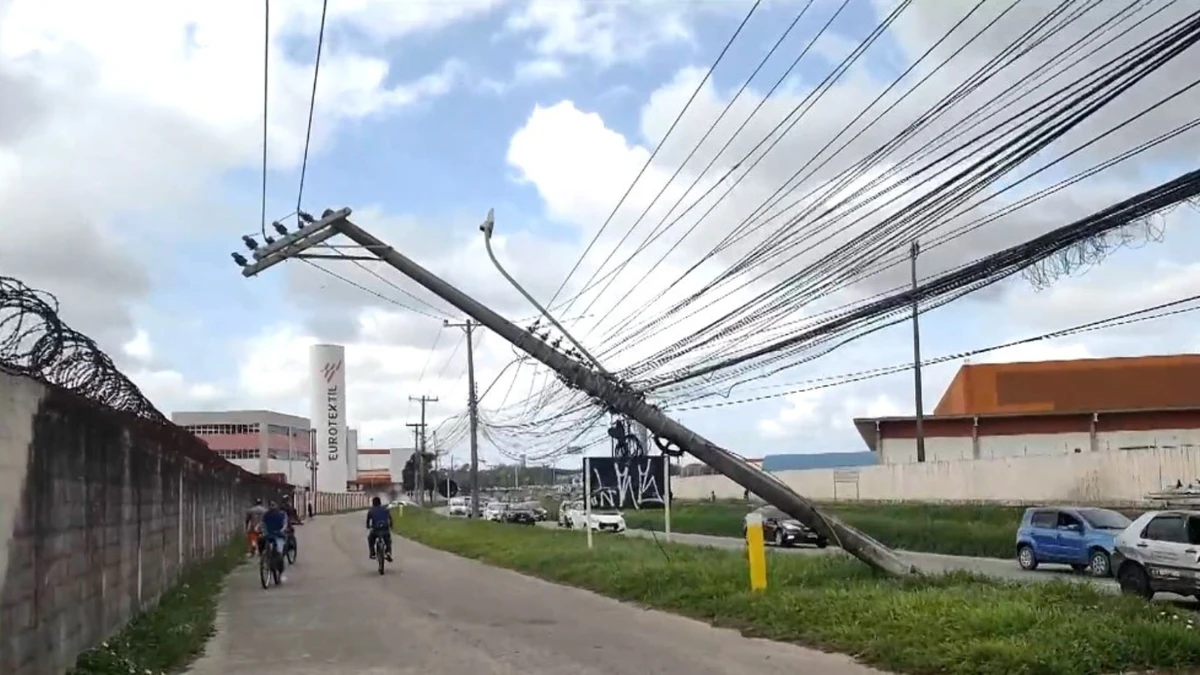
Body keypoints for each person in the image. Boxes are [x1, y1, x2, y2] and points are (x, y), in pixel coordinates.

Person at [261, 499, 290, 576]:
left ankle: (280, 568)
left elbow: (285, 523)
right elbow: (262, 523)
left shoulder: (282, 514)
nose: (272, 506)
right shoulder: (266, 515)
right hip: (269, 535)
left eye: (273, 505)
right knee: (262, 542)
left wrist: (282, 530)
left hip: (279, 535)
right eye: (271, 505)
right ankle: (265, 558)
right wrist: (263, 530)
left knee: (279, 553)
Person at [366, 496, 393, 562]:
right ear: (380, 503)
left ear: (373, 503)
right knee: (388, 540)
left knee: (370, 538)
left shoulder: (371, 511)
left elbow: (368, 521)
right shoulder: (385, 509)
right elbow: (390, 519)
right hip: (385, 529)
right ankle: (388, 552)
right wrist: (391, 526)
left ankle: (372, 553)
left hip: (375, 530)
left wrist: (368, 526)